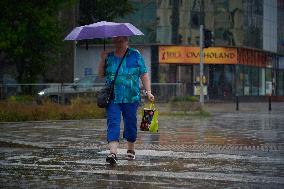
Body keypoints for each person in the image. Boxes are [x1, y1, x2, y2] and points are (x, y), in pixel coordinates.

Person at [98, 36, 154, 164]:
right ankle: (113, 153)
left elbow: (144, 74)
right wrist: (102, 60)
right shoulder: (109, 56)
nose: (118, 43)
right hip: (113, 97)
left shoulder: (135, 55)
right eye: (116, 40)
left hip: (131, 97)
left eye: (121, 40)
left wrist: (148, 92)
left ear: (126, 40)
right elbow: (101, 75)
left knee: (130, 123)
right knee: (113, 122)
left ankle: (130, 149)